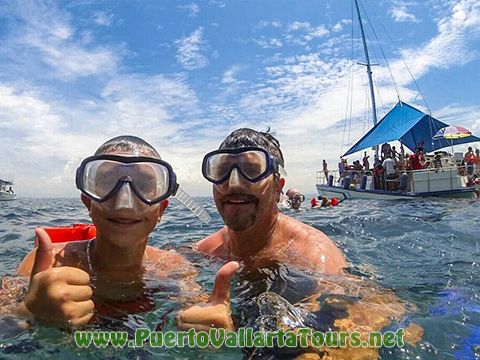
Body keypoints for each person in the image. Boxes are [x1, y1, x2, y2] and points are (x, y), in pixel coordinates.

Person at [2, 135, 215, 327]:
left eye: (144, 184)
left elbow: (202, 315)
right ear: (88, 203)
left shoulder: (174, 268)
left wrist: (212, 328)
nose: (125, 201)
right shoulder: (46, 266)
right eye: (106, 183)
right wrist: (26, 311)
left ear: (160, 210)